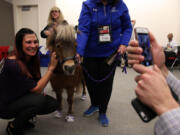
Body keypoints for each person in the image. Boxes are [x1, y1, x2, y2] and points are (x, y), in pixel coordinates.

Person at [76, 0, 132, 126]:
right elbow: (83, 29)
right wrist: (79, 51)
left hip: (110, 53)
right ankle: (94, 104)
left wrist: (123, 43)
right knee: (91, 83)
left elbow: (127, 27)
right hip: (90, 53)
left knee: (106, 84)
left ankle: (103, 111)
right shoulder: (88, 5)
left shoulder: (120, 5)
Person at [0, 28, 58, 135]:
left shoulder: (31, 58)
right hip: (4, 105)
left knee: (52, 103)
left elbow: (37, 82)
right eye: (28, 42)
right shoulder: (13, 64)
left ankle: (23, 119)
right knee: (39, 100)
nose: (33, 45)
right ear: (19, 44)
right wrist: (51, 68)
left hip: (18, 96)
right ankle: (14, 126)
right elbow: (36, 88)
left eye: (35, 42)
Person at [127, 32, 180, 135]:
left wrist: (165, 104)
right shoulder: (168, 43)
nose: (168, 37)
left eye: (169, 36)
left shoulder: (173, 42)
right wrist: (161, 69)